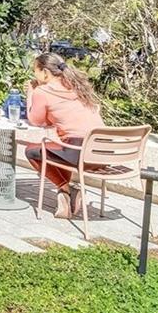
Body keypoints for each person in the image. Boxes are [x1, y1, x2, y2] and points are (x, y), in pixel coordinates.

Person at [23, 52, 103, 219]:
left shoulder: (42, 91)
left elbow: (35, 121)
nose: (34, 75)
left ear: (45, 72)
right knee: (59, 148)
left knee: (32, 150)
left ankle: (64, 188)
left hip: (79, 152)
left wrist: (31, 93)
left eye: (35, 71)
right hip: (103, 152)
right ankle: (66, 192)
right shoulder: (76, 86)